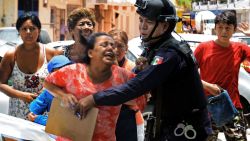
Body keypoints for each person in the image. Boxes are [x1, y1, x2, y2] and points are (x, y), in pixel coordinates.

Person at [72, 0, 212, 141]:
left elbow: (136, 86)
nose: (142, 27)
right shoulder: (155, 47)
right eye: (141, 20)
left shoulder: (169, 54)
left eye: (149, 22)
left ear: (164, 26)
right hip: (170, 123)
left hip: (186, 128)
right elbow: (132, 78)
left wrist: (94, 99)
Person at [44, 32, 145, 141]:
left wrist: (117, 98)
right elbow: (47, 83)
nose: (111, 48)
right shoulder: (73, 71)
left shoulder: (124, 76)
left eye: (113, 45)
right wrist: (63, 95)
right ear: (90, 52)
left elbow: (141, 101)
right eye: (104, 45)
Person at [194, 10, 250, 141]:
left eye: (228, 28)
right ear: (215, 28)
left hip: (232, 107)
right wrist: (207, 86)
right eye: (220, 27)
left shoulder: (240, 48)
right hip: (208, 107)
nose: (224, 31)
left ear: (234, 29)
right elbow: (187, 74)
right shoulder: (203, 48)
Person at [0, 13, 60, 119]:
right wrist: (21, 95)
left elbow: (60, 82)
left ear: (39, 30)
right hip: (17, 115)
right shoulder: (11, 55)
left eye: (32, 28)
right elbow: (1, 84)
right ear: (19, 31)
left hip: (43, 115)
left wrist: (46, 91)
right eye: (24, 29)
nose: (28, 32)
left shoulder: (51, 54)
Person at [108, 29, 146, 141]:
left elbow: (139, 101)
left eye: (120, 46)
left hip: (130, 123)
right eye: (112, 45)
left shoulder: (132, 68)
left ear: (126, 48)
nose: (116, 50)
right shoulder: (101, 68)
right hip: (106, 123)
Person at [27, 55, 72, 126]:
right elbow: (33, 112)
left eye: (67, 68)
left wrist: (39, 119)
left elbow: (65, 122)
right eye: (60, 70)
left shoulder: (76, 90)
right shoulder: (48, 92)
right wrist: (33, 115)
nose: (65, 72)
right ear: (51, 75)